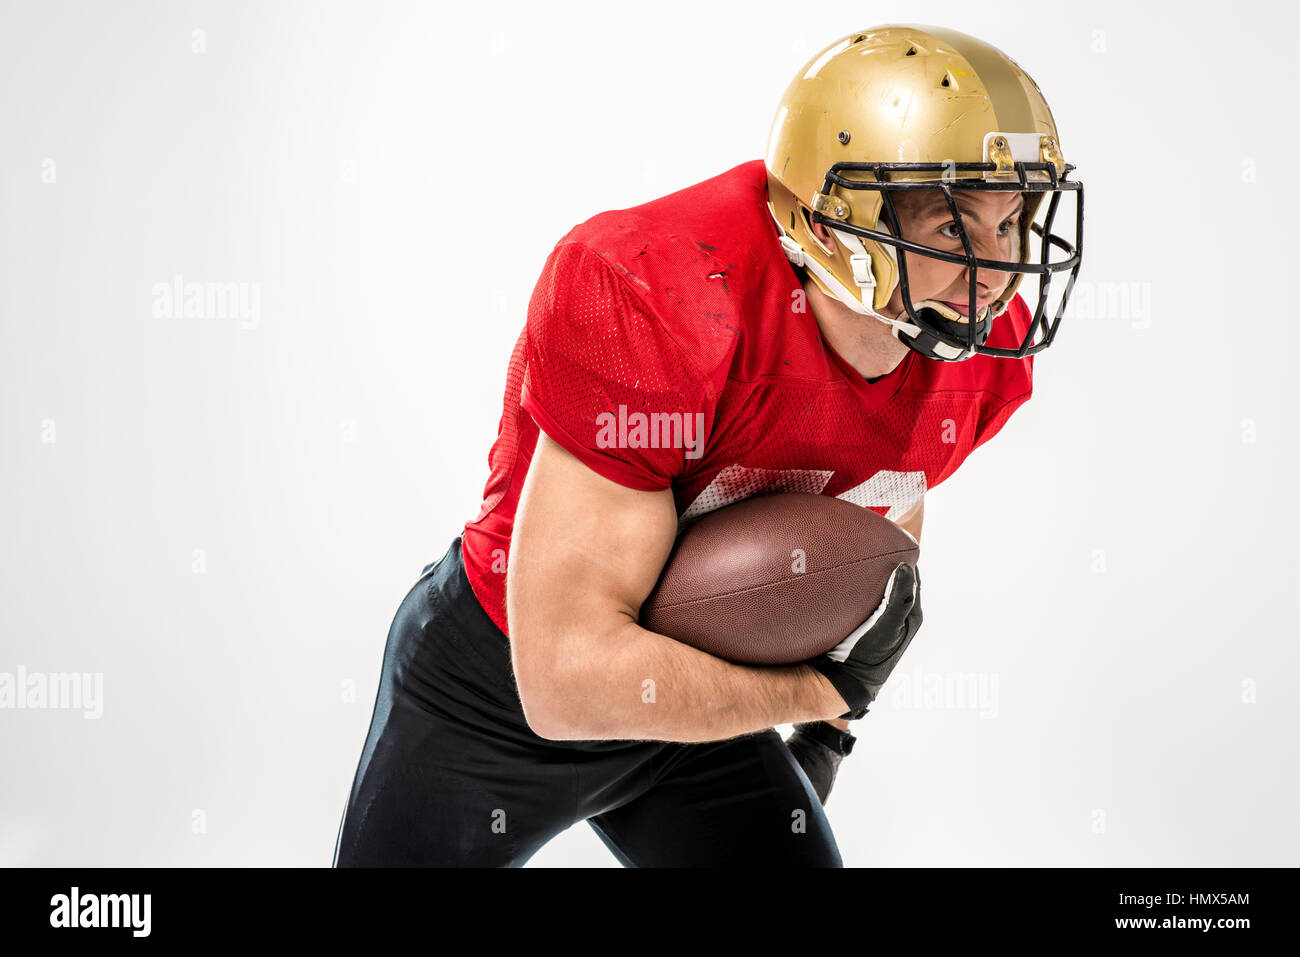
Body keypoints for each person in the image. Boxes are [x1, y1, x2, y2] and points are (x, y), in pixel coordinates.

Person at [332, 23, 1083, 867]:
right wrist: (817, 688)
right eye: (951, 231)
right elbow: (565, 680)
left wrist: (826, 738)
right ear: (833, 226)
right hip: (491, 689)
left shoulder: (972, 349)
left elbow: (889, 483)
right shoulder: (654, 296)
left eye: (1010, 222)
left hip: (695, 698)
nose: (996, 273)